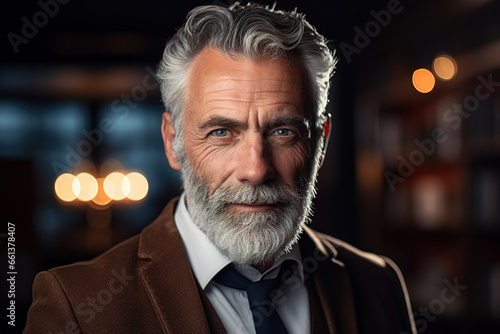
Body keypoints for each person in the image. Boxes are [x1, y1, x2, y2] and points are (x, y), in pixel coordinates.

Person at [24, 2, 416, 333]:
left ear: (321, 141)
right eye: (222, 132)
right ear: (171, 142)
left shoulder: (378, 285)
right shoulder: (76, 309)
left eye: (283, 131)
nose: (256, 169)